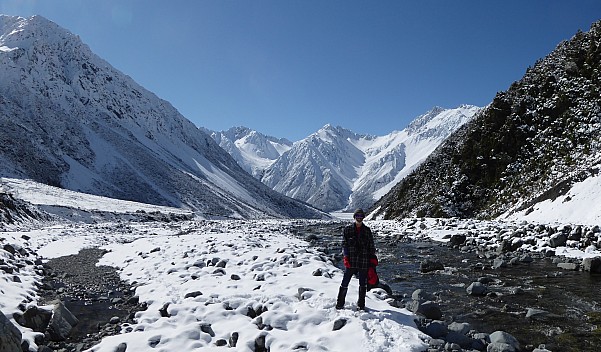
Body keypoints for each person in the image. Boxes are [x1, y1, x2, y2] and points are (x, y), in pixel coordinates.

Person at [336, 208, 377, 310]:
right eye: (357, 216)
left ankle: (361, 305)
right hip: (351, 261)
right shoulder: (347, 229)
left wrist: (372, 259)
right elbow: (344, 244)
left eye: (361, 216)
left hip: (364, 261)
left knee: (362, 284)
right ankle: (340, 304)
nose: (359, 218)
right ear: (354, 217)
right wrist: (345, 257)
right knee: (345, 282)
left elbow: (371, 246)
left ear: (363, 217)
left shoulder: (367, 231)